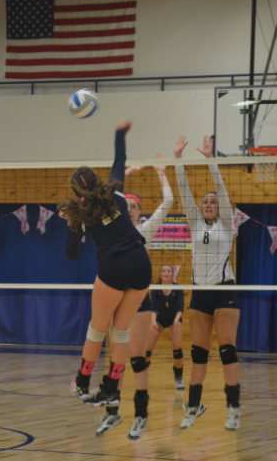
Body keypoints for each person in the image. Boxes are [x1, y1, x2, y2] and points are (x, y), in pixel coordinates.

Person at [61, 119, 152, 411]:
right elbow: (120, 159)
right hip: (141, 262)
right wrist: (118, 133)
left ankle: (83, 382)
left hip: (114, 265)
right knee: (121, 331)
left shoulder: (80, 213)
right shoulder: (116, 191)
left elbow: (72, 255)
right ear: (97, 180)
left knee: (97, 329)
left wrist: (71, 223)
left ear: (77, 192)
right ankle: (111, 390)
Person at [97, 156, 175, 439]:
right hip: (114, 300)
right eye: (126, 205)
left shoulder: (145, 231)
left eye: (135, 207)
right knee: (113, 360)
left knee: (137, 359)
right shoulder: (110, 228)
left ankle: (140, 415)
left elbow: (168, 203)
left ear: (140, 213)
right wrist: (125, 172)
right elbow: (104, 197)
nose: (129, 209)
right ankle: (112, 414)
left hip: (139, 302)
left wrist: (161, 173)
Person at [174, 135, 242, 430]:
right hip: (199, 293)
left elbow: (223, 192)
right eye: (206, 201)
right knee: (198, 353)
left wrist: (209, 158)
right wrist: (178, 159)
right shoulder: (194, 221)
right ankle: (193, 407)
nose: (210, 203)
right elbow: (184, 191)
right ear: (201, 207)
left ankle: (233, 409)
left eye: (213, 201)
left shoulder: (227, 220)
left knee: (227, 349)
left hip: (225, 289)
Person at [146, 265, 185, 388]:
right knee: (148, 347)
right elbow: (153, 307)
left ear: (172, 274)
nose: (166, 273)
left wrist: (177, 319)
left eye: (168, 271)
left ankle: (178, 378)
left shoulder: (178, 288)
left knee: (177, 346)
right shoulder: (156, 288)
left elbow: (180, 307)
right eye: (163, 271)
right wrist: (153, 321)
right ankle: (142, 375)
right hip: (159, 319)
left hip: (175, 318)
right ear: (160, 274)